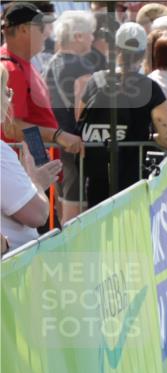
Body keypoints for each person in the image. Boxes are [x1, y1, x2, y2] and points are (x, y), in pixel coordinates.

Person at [76, 22, 167, 206]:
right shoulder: (150, 88)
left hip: (96, 175)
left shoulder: (95, 80)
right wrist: (148, 137)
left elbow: (79, 121)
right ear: (144, 53)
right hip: (131, 179)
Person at [1, 2, 83, 153]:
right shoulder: (10, 69)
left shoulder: (23, 64)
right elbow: (11, 128)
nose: (46, 33)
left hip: (31, 167)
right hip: (22, 168)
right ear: (24, 29)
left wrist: (41, 159)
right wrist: (57, 135)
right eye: (40, 27)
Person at [1, 65, 62, 251]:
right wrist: (36, 182)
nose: (9, 100)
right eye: (5, 92)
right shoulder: (15, 66)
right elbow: (36, 214)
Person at [44, 9, 97, 220]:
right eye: (90, 33)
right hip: (76, 144)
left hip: (58, 141)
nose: (93, 38)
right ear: (78, 36)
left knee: (66, 198)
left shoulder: (52, 63)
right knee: (77, 205)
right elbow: (83, 110)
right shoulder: (80, 64)